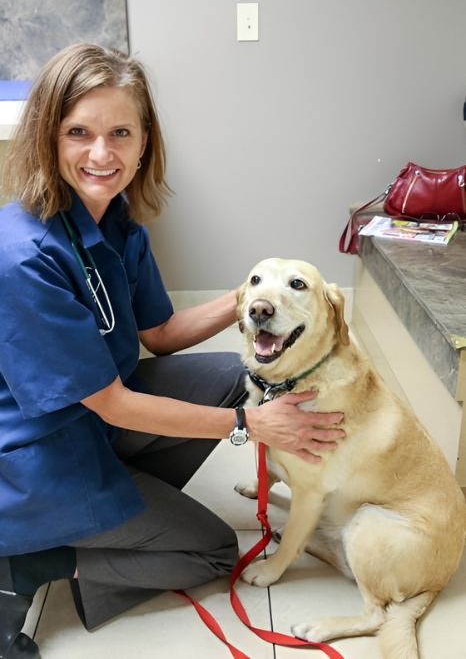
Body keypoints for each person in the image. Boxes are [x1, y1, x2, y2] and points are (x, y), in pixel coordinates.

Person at [0, 43, 345, 658]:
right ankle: (36, 562)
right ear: (47, 136)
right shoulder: (23, 257)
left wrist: (251, 296)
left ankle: (130, 508)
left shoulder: (116, 220)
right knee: (210, 549)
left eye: (120, 133)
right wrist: (251, 427)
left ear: (143, 140)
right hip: (38, 462)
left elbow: (158, 334)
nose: (102, 153)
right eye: (78, 132)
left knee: (229, 377)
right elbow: (113, 403)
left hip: (93, 422)